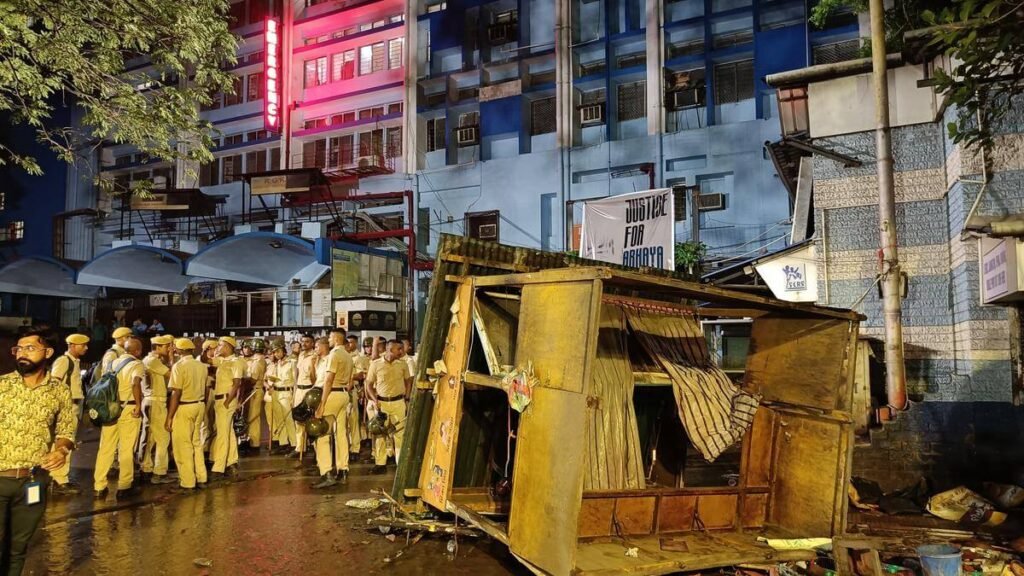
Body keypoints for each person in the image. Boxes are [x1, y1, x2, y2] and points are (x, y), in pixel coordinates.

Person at [1, 329, 78, 576]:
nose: (22, 353)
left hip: (33, 481)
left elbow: (67, 429)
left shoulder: (59, 390)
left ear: (48, 352)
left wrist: (61, 450)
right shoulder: (2, 386)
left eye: (30, 348)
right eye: (19, 349)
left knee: (18, 547)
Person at [93, 337, 144, 498]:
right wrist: (137, 404)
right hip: (128, 409)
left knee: (106, 449)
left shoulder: (113, 363)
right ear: (137, 351)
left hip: (110, 409)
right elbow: (136, 383)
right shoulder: (137, 364)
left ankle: (99, 486)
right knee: (126, 449)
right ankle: (124, 486)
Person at [165, 338, 209, 493]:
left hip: (185, 407)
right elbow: (206, 388)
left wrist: (170, 416)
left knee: (182, 446)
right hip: (199, 405)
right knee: (196, 443)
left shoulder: (179, 366)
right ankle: (201, 477)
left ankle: (187, 482)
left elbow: (176, 392)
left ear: (179, 351)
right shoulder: (201, 366)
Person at [48, 333, 89, 495]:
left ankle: (58, 478)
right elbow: (55, 382)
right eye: (82, 345)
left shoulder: (74, 362)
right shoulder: (64, 361)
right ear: (72, 345)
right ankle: (59, 480)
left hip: (73, 407)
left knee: (67, 442)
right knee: (64, 443)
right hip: (66, 407)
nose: (85, 348)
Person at [311, 332, 353, 488]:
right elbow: (349, 380)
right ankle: (343, 469)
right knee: (340, 433)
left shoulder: (334, 355)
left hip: (332, 394)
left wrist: (321, 404)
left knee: (321, 434)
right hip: (343, 394)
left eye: (329, 338)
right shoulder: (348, 355)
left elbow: (328, 380)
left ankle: (327, 472)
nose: (328, 340)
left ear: (336, 339)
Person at [365, 339, 412, 474]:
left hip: (398, 402)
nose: (402, 351)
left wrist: (407, 398)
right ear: (390, 349)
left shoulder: (403, 364)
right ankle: (380, 464)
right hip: (382, 403)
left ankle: (400, 464)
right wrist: (374, 400)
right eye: (399, 349)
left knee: (400, 433)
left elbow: (408, 381)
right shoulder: (375, 364)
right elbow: (368, 384)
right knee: (380, 433)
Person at [210, 337, 244, 480]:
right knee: (227, 432)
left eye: (221, 345)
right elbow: (207, 361)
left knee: (222, 434)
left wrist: (228, 400)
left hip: (226, 399)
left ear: (229, 346)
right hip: (219, 399)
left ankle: (219, 467)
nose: (218, 347)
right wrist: (213, 352)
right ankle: (232, 461)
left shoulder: (236, 362)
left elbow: (237, 383)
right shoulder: (222, 361)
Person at [141, 335, 174, 485]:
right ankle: (159, 472)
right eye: (167, 346)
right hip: (156, 402)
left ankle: (146, 468)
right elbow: (173, 374)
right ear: (158, 347)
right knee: (163, 438)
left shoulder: (150, 360)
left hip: (150, 401)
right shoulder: (153, 361)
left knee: (151, 438)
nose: (169, 349)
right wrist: (172, 358)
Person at [288, 334, 317, 459]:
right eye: (303, 341)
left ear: (312, 343)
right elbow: (297, 376)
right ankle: (300, 447)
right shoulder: (300, 355)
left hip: (309, 389)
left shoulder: (315, 356)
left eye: (307, 342)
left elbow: (314, 376)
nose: (304, 344)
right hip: (299, 389)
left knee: (312, 419)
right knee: (298, 419)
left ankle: (316, 448)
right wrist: (294, 394)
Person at [266, 342, 296, 455]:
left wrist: (294, 396)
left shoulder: (292, 363)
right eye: (274, 352)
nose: (276, 354)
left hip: (287, 393)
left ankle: (294, 444)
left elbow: (296, 381)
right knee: (279, 420)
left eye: (278, 351)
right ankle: (283, 443)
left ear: (284, 350)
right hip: (276, 392)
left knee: (288, 420)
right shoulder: (277, 364)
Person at [346, 335, 367, 463]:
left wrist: (347, 376)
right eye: (347, 342)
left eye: (351, 342)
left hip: (351, 390)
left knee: (353, 421)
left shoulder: (358, 358)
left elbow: (360, 375)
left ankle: (355, 448)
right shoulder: (341, 356)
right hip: (341, 390)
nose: (349, 345)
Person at [244, 340, 267, 455]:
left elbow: (253, 379)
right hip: (253, 391)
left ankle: (254, 445)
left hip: (255, 391)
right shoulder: (257, 360)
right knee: (251, 419)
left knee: (253, 419)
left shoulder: (258, 361)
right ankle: (251, 442)